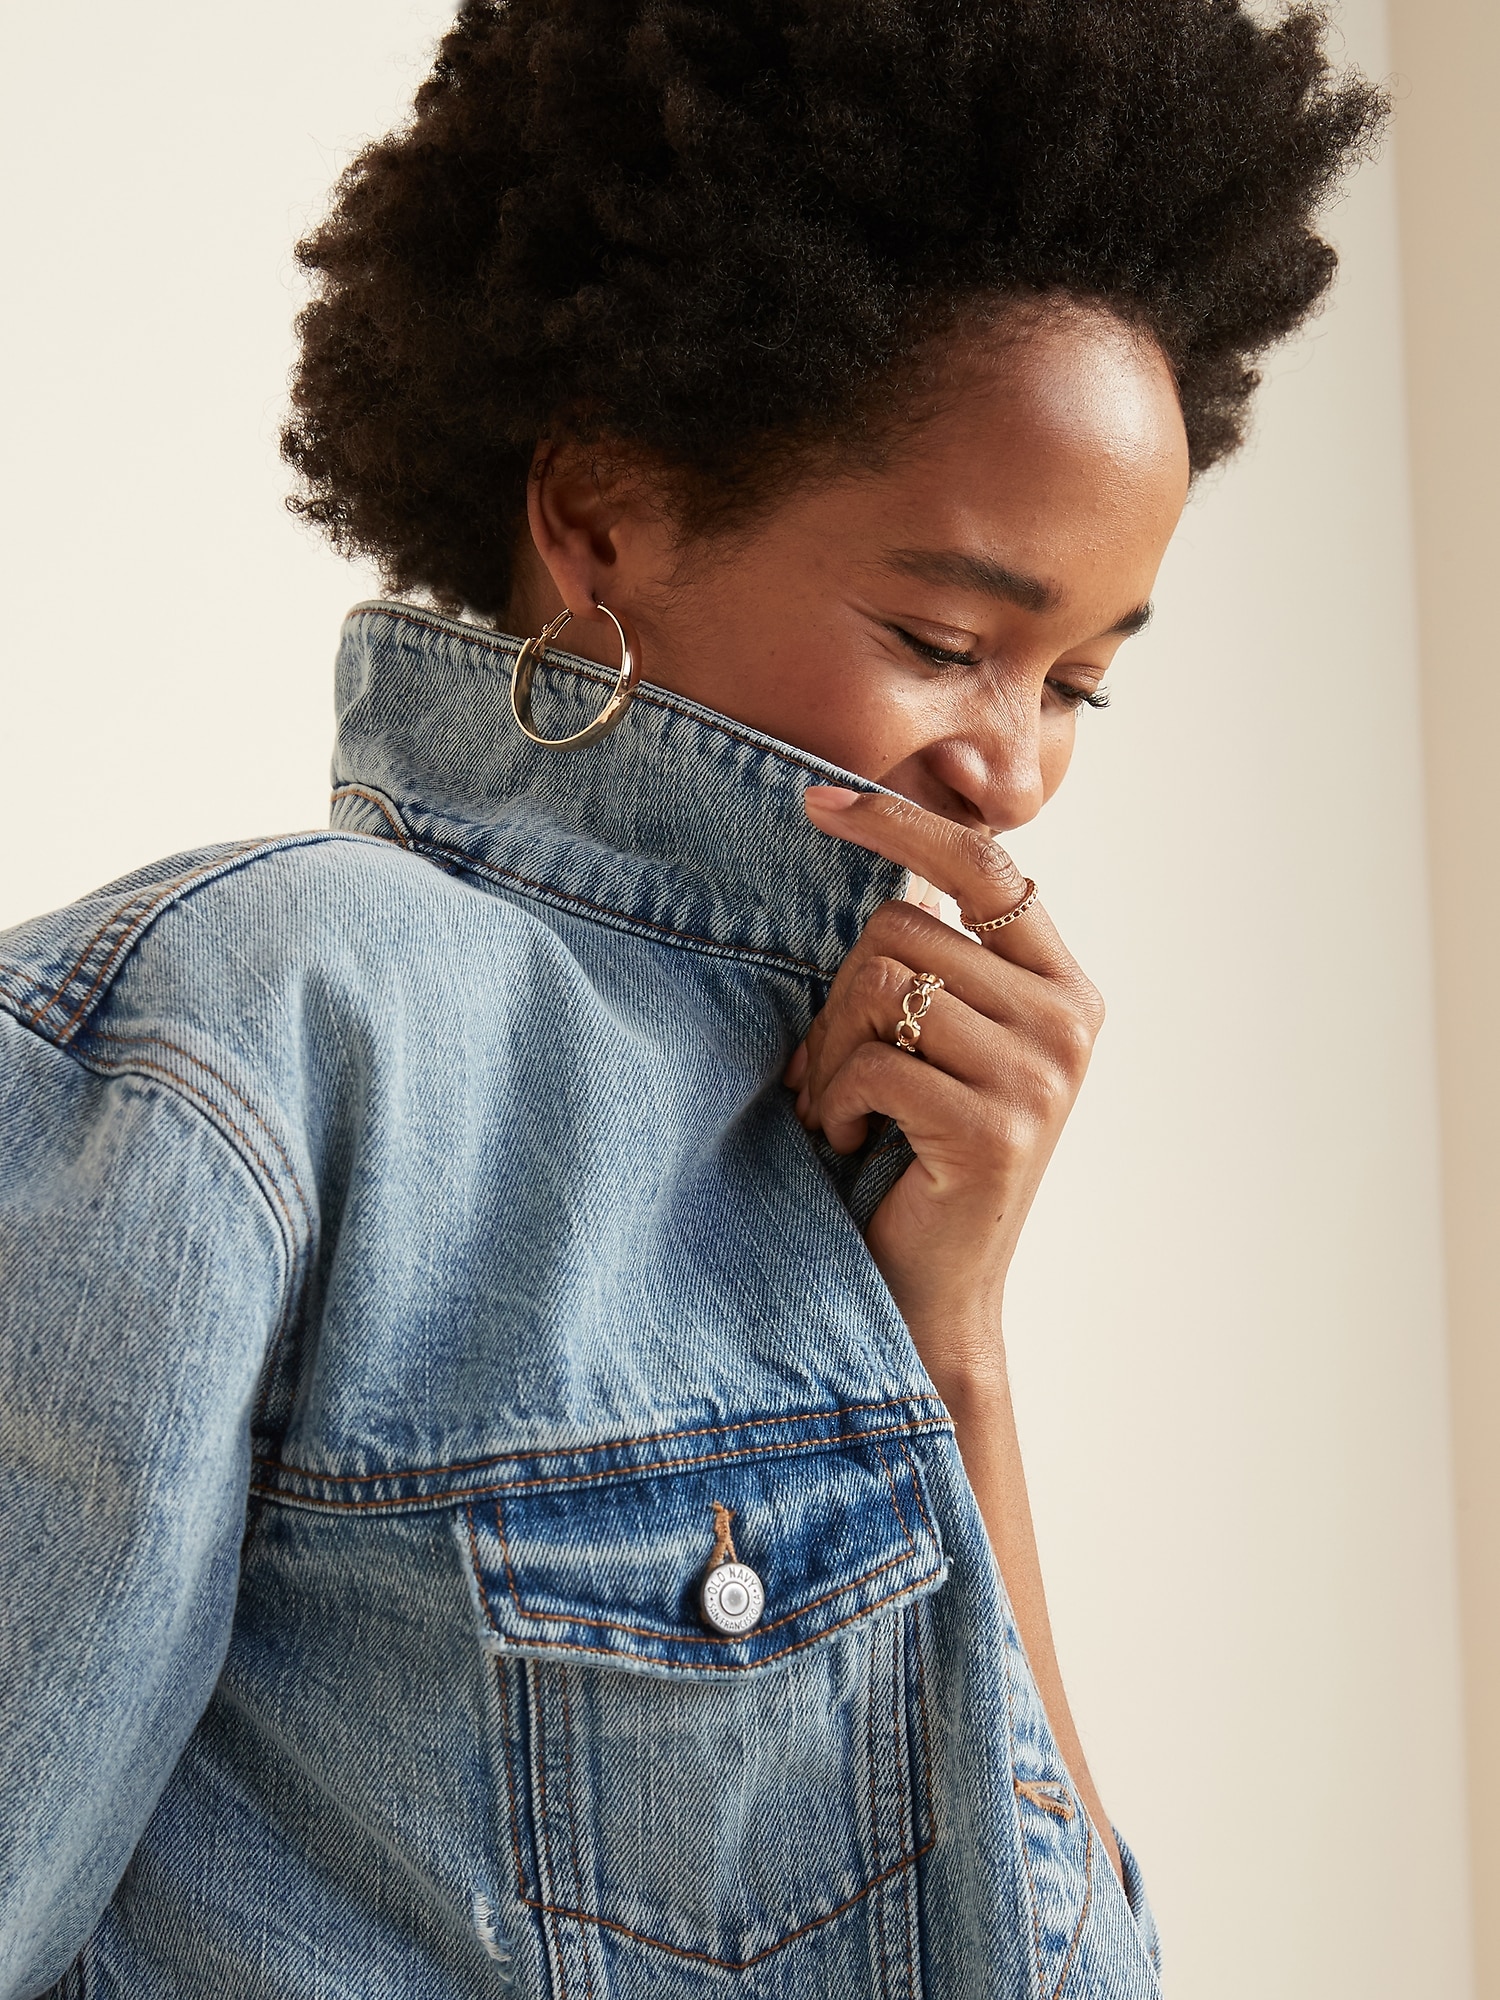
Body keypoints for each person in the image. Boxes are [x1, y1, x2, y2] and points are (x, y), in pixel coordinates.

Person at [0, 3, 1383, 1995]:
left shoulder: (855, 1148)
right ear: (599, 521)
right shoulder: (250, 1034)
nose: (1014, 763)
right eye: (943, 637)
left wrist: (953, 1336)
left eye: (1077, 681)